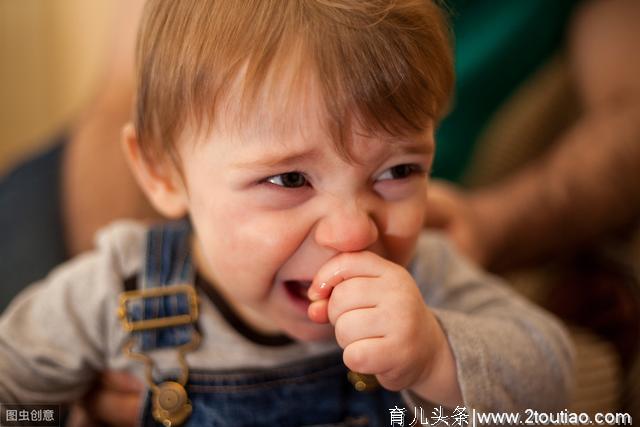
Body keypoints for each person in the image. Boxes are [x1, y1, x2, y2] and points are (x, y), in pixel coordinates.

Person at [0, 0, 573, 424]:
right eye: (289, 179)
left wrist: (435, 354)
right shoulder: (114, 291)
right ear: (162, 173)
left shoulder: (428, 277)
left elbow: (552, 383)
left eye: (397, 172)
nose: (353, 232)